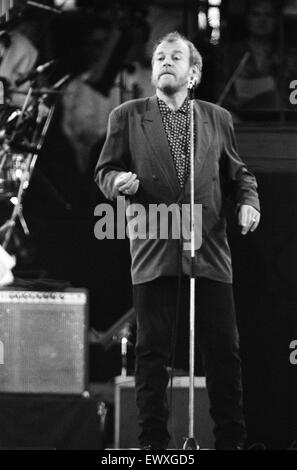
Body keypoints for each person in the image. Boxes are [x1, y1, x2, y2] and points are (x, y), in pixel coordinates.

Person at [95, 31, 260, 450]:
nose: (165, 62)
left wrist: (248, 202)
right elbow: (105, 171)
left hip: (209, 250)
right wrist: (119, 181)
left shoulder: (216, 118)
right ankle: (153, 445)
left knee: (224, 351)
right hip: (154, 245)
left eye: (175, 57)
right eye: (159, 58)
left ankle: (232, 441)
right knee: (152, 354)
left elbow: (240, 174)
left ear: (194, 72)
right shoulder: (127, 116)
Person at [214, 0, 297, 114]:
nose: (262, 21)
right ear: (247, 19)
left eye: (268, 15)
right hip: (240, 122)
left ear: (276, 20)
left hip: (279, 122)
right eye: (256, 14)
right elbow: (221, 95)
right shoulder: (230, 54)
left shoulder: (288, 56)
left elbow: (293, 96)